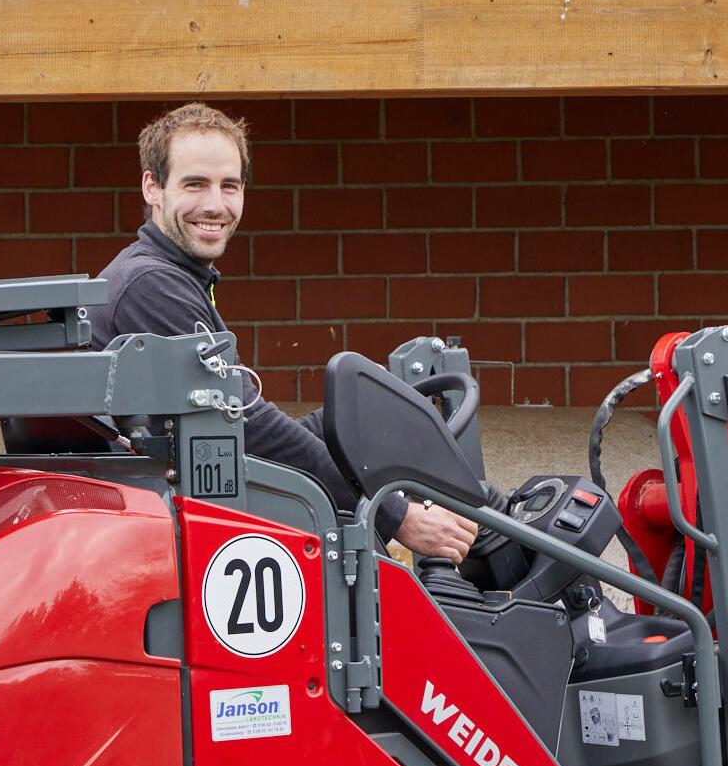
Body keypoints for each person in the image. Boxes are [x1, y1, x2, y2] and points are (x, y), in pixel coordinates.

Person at [90, 102, 479, 563]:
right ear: (152, 187)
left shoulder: (171, 275)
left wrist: (364, 421)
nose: (215, 205)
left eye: (229, 186)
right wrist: (396, 518)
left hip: (188, 494)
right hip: (173, 524)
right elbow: (246, 428)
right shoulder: (152, 286)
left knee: (362, 419)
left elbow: (242, 425)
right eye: (195, 184)